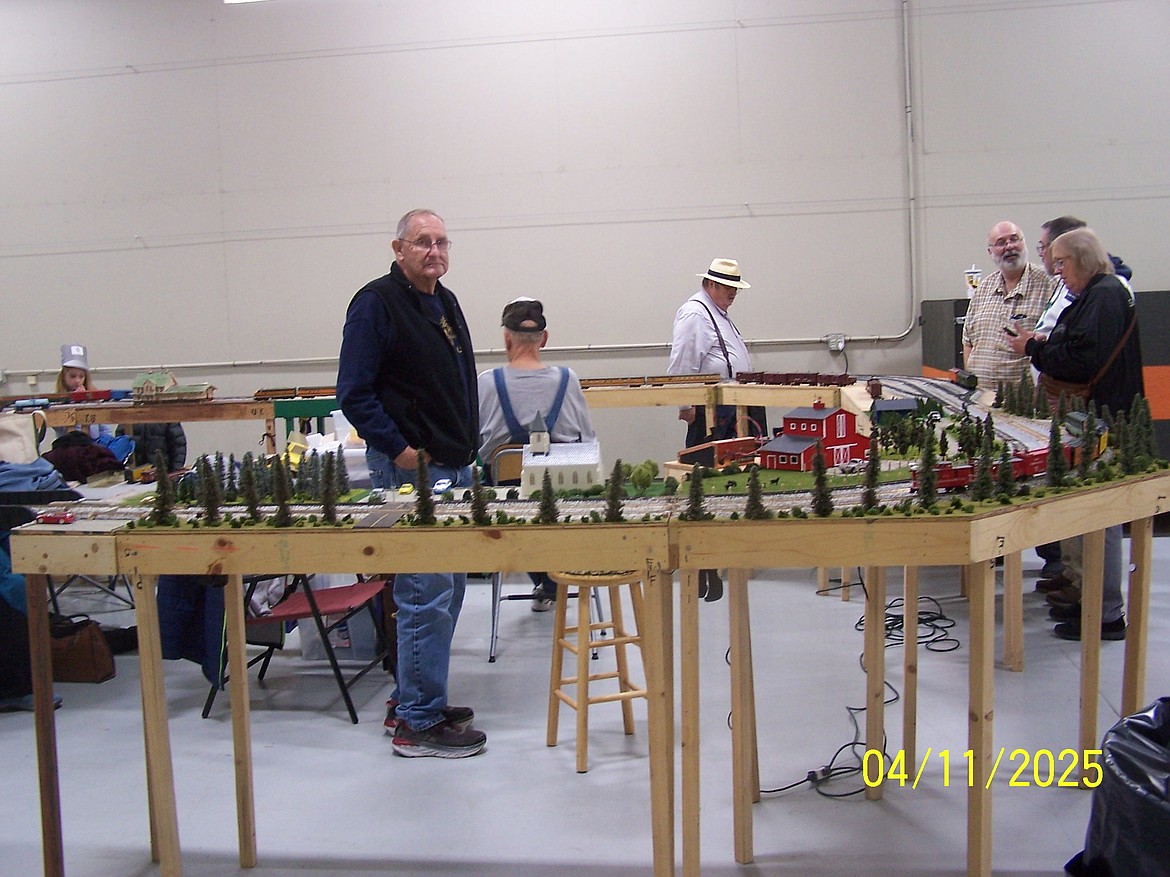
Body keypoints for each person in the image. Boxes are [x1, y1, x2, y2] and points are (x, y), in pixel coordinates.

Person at [337, 208, 485, 758]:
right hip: (410, 470)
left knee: (449, 588)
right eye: (422, 242)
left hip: (453, 464)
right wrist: (400, 451)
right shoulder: (376, 303)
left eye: (442, 242)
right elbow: (354, 391)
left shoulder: (444, 301)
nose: (434, 251)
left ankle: (416, 695)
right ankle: (418, 723)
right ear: (397, 248)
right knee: (423, 591)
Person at [1007, 228, 1143, 641]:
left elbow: (1084, 359)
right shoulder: (1103, 293)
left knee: (1100, 520)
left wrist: (1035, 347)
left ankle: (1105, 615)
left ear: (1082, 259)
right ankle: (1090, 600)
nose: (1057, 271)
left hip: (1099, 416)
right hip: (1093, 416)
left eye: (1062, 262)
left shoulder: (1103, 295)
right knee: (1088, 517)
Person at [477, 297, 597, 610]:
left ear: (506, 337)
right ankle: (554, 577)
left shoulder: (487, 383)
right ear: (544, 338)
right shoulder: (568, 379)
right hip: (564, 500)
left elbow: (474, 444)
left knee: (510, 492)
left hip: (510, 506)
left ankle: (543, 579)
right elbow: (588, 439)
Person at [668, 258, 762, 602]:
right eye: (727, 288)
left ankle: (715, 561)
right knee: (705, 484)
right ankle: (704, 563)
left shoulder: (715, 314)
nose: (733, 294)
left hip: (728, 409)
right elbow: (683, 362)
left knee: (722, 482)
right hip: (713, 413)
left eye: (735, 288)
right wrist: (685, 403)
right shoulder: (695, 314)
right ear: (710, 285)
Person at [962, 222, 1055, 390]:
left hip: (1026, 402)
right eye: (1001, 242)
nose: (1009, 246)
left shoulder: (1049, 284)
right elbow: (968, 342)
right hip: (979, 397)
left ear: (1024, 243)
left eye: (1014, 239)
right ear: (990, 252)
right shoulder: (984, 287)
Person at [53, 344, 114, 441]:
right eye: (73, 376)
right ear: (64, 377)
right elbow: (61, 429)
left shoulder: (95, 397)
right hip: (70, 446)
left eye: (81, 376)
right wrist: (76, 401)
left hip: (96, 445)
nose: (77, 380)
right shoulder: (56, 400)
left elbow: (105, 428)